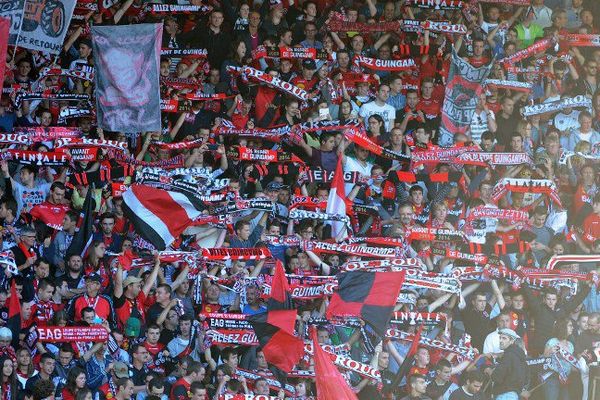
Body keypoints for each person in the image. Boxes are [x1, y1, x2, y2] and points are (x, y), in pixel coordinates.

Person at [490, 329, 527, 400]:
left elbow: (496, 377)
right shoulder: (520, 356)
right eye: (500, 338)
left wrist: (490, 370)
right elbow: (526, 379)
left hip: (504, 395)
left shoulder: (508, 355)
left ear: (512, 341)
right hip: (515, 395)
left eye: (504, 338)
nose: (500, 340)